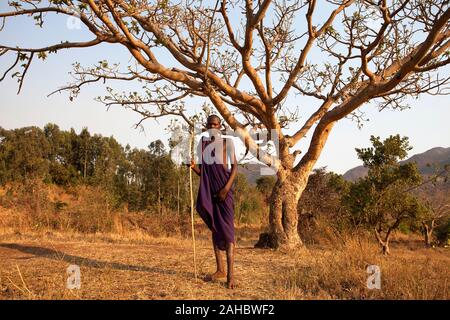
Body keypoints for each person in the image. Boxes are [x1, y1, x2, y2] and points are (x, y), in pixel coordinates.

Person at [186, 115, 238, 289]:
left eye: (215, 124)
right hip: (210, 192)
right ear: (206, 126)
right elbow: (204, 174)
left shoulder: (227, 143)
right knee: (215, 229)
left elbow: (235, 167)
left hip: (225, 192)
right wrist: (193, 167)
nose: (213, 127)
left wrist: (225, 189)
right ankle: (220, 270)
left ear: (220, 125)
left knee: (228, 233)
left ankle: (230, 276)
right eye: (210, 125)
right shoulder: (203, 144)